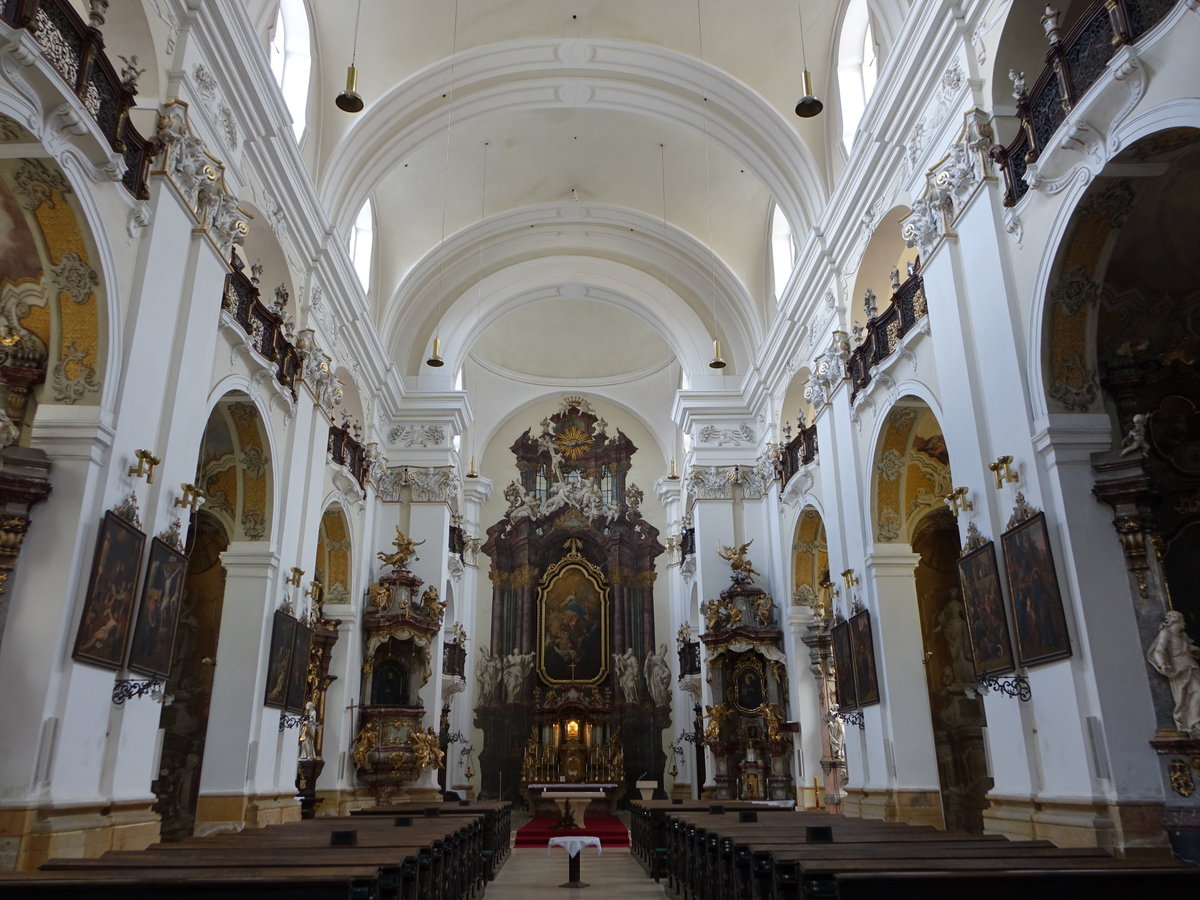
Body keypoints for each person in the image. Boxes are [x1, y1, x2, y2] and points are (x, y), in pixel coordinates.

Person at [1146, 610, 1200, 736]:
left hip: (1192, 666)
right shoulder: (1166, 633)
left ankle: (1196, 723)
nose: (1185, 624)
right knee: (1187, 696)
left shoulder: (1182, 636)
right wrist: (1163, 664)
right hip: (1179, 670)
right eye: (1183, 620)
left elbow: (1188, 648)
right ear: (1176, 620)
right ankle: (1193, 724)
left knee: (1197, 692)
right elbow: (1159, 651)